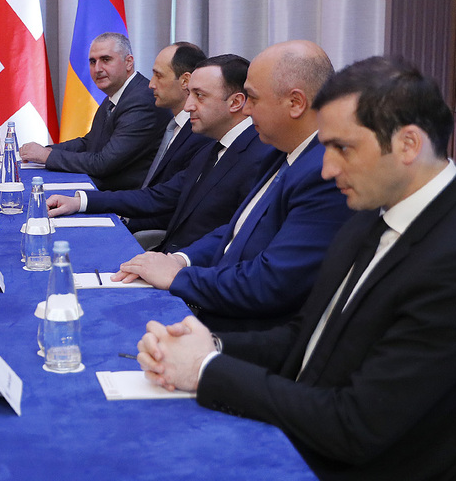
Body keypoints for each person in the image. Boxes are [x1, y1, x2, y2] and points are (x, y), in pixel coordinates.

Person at [135, 57, 456, 481]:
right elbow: (306, 337)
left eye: (342, 148)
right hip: (307, 441)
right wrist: (211, 346)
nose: (328, 169)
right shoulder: (375, 211)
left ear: (408, 144)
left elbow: (355, 426)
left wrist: (207, 370)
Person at [113, 41, 352, 331]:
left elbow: (271, 282)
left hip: (243, 330)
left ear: (295, 103)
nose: (246, 110)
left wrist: (178, 277)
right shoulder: (280, 151)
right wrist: (180, 260)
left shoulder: (324, 173)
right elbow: (240, 230)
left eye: (253, 99)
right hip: (216, 298)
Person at [47, 55, 274, 254]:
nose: (188, 106)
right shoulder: (211, 148)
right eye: (190, 94)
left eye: (199, 96)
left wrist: (179, 261)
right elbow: (157, 197)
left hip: (193, 273)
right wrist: (81, 201)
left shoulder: (260, 157)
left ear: (235, 102)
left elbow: (239, 236)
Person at [19, 32, 169, 190]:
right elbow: (89, 143)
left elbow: (103, 163)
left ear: (128, 62)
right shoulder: (116, 96)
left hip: (122, 197)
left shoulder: (141, 101)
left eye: (106, 60)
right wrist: (44, 150)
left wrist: (47, 156)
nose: (97, 69)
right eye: (92, 61)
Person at [137, 42, 214, 191]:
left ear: (185, 81)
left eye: (159, 76)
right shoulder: (171, 124)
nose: (151, 84)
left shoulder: (201, 135)